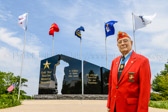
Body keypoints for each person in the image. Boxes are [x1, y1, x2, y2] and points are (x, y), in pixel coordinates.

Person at [107, 31, 151, 112]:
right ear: (117, 45)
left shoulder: (142, 61)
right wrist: (109, 105)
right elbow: (111, 86)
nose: (122, 43)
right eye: (120, 42)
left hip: (131, 108)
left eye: (125, 40)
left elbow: (145, 90)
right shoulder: (114, 62)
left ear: (131, 42)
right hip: (115, 107)